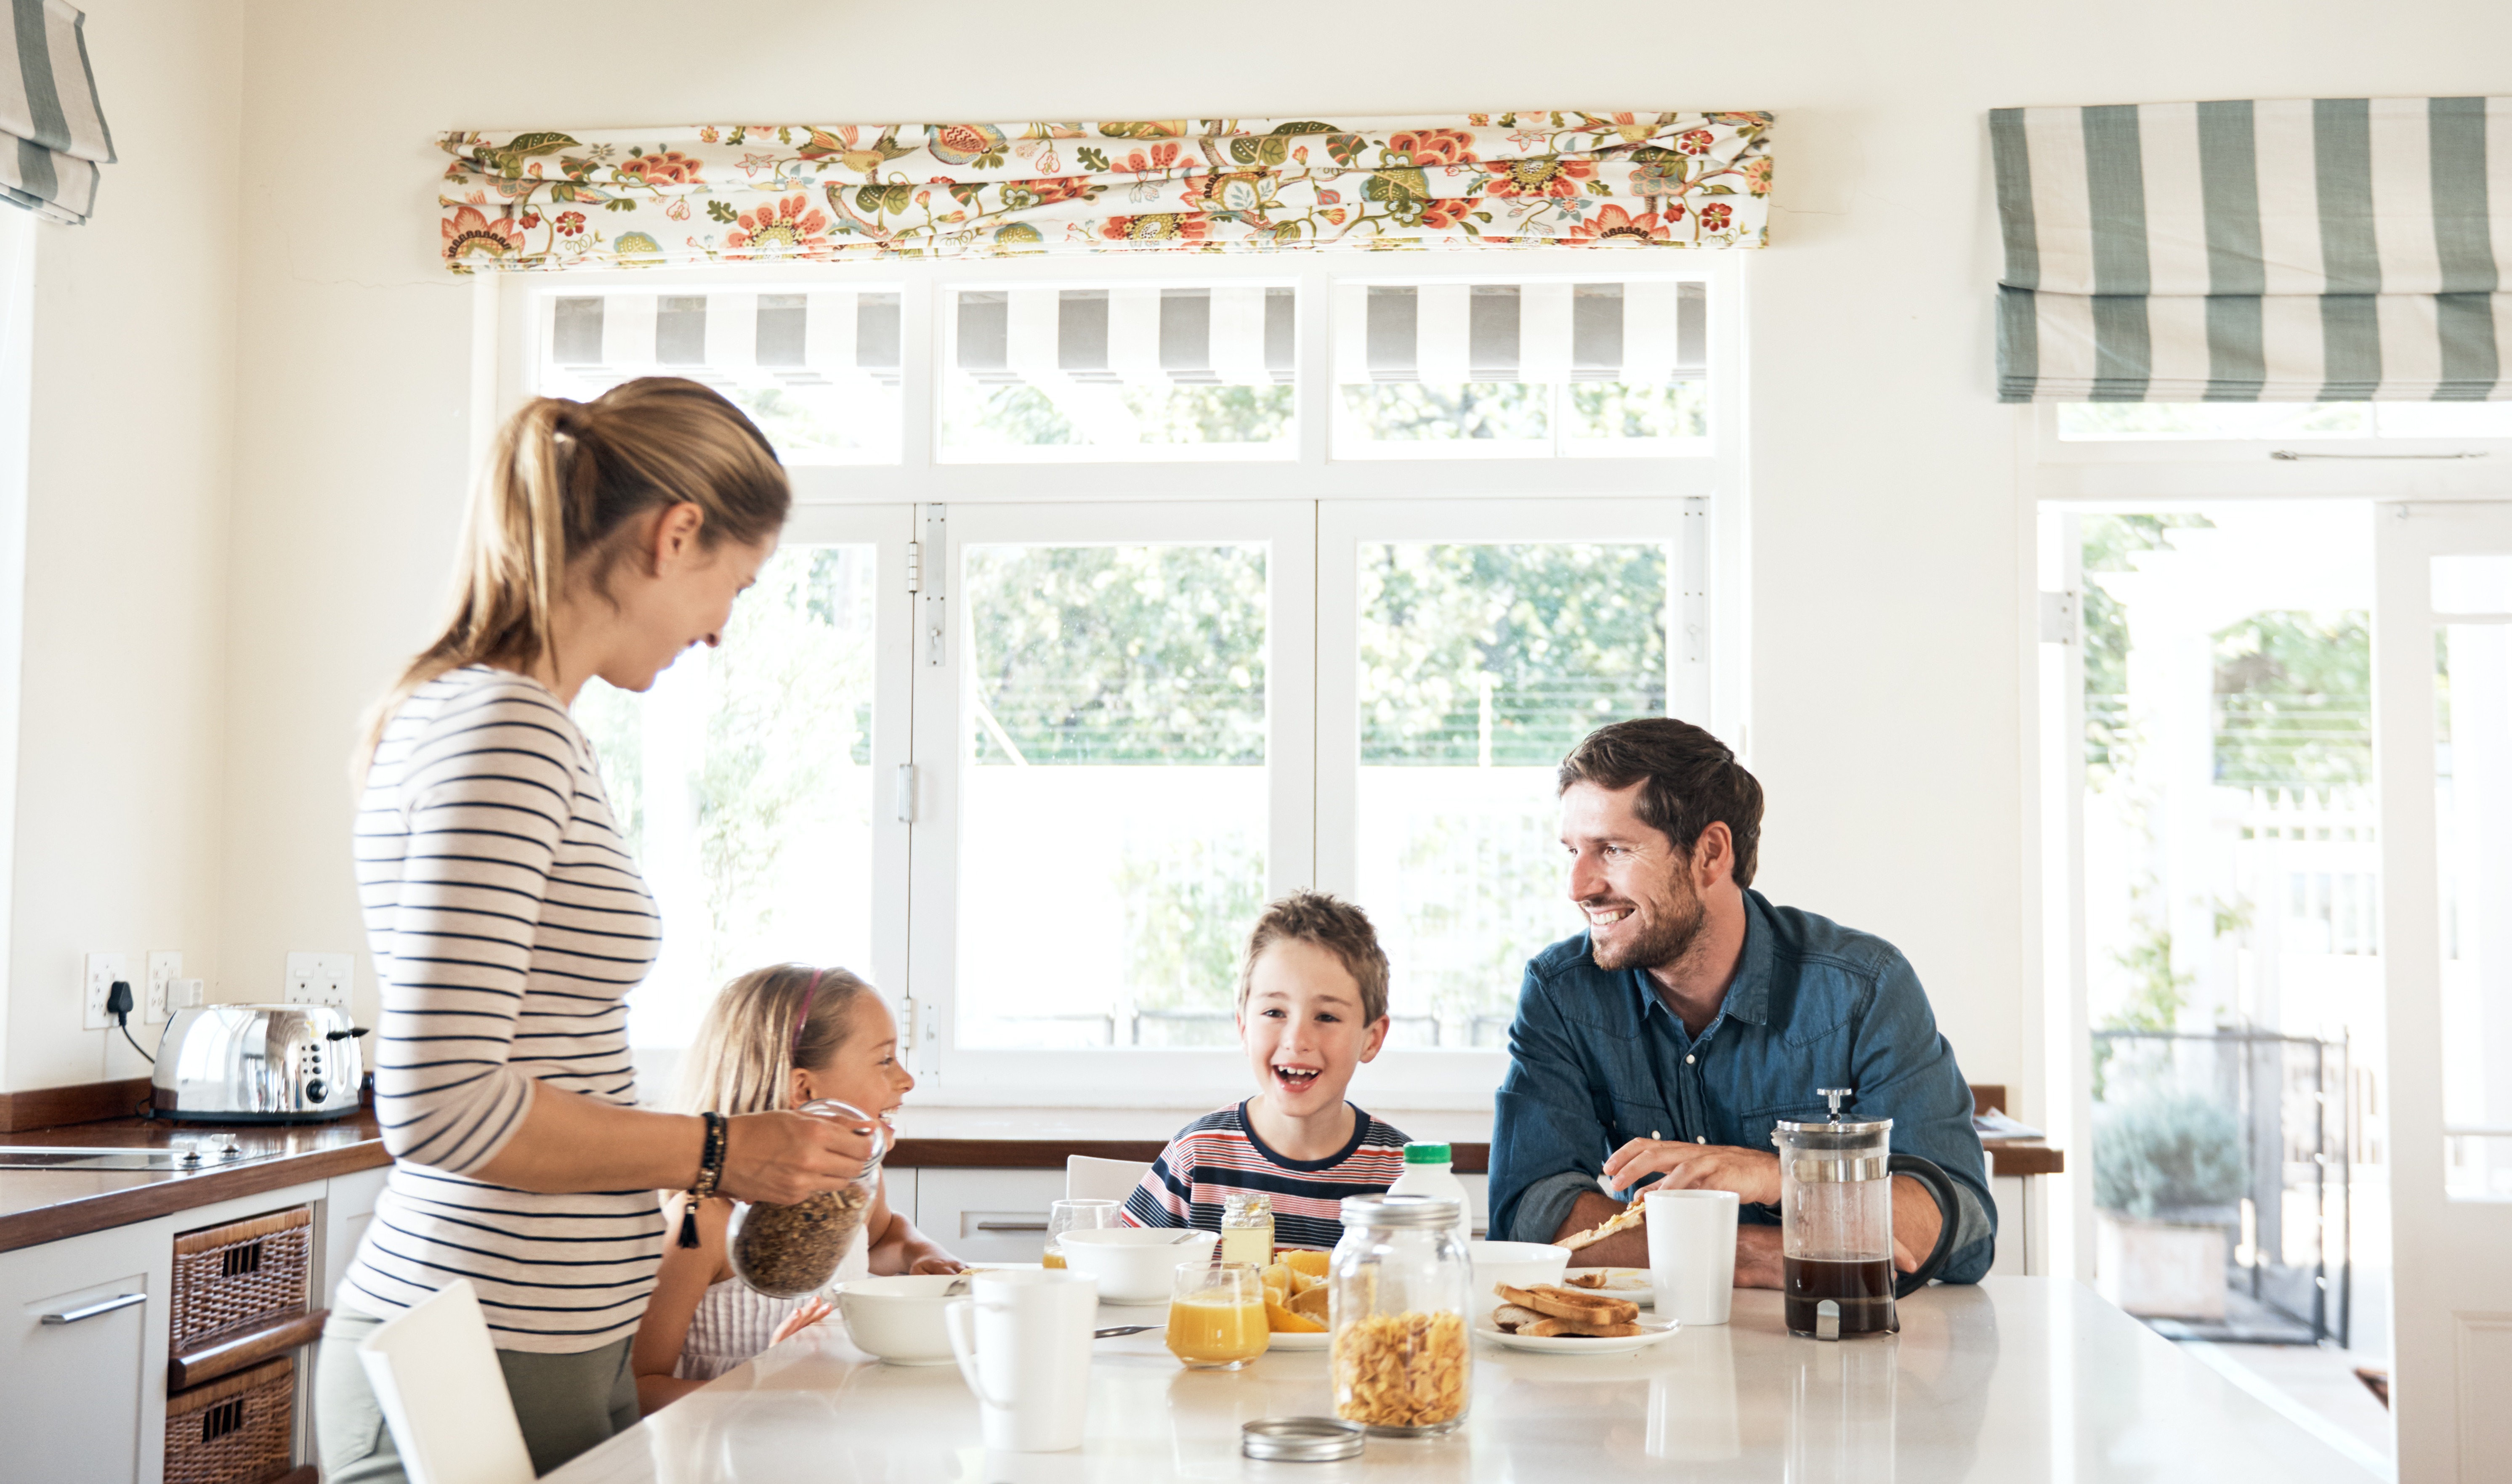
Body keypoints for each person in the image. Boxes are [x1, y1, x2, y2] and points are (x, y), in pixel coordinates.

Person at [318, 380, 878, 1483]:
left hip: (546, 1341)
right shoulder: (507, 727)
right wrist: (722, 1146)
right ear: (677, 535)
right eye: (736, 582)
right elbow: (440, 1103)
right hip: (486, 1349)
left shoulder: (510, 720)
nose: (721, 627)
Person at [1487, 718, 1996, 1285]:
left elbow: (1956, 1226)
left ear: (1709, 852)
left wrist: (1785, 1177)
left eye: (1612, 849)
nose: (1578, 885)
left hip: (1843, 1350)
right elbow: (1530, 1220)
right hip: (1654, 1349)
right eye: (1573, 851)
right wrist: (1759, 1255)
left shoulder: (1863, 986)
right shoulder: (1563, 991)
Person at [632, 964, 963, 1410]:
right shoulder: (702, 1222)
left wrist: (918, 1252)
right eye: (885, 1059)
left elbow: (882, 1238)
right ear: (803, 1088)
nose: (906, 1079)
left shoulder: (854, 1185)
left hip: (813, 1431)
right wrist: (765, 1382)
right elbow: (637, 1392)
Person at [1121, 892, 1409, 1250]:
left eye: (1327, 1017)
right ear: (1243, 1028)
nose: (1297, 1039)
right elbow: (1130, 1279)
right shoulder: (1196, 1156)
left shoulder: (1403, 1176)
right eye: (1275, 1012)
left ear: (1371, 1038)